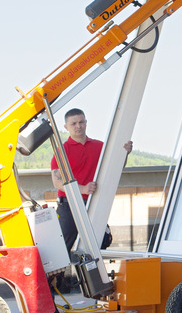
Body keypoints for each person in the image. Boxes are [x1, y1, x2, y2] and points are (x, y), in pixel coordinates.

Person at [51, 108, 133, 253]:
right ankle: (59, 276)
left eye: (81, 122)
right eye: (73, 123)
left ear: (86, 123)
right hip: (69, 204)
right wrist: (82, 189)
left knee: (101, 242)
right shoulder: (61, 151)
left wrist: (124, 154)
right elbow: (57, 182)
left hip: (94, 203)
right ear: (66, 127)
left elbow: (116, 168)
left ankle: (94, 275)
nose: (78, 126)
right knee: (62, 247)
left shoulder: (100, 146)